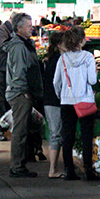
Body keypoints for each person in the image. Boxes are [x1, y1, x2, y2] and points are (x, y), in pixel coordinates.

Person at [53, 26, 100, 182]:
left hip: (67, 102)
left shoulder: (63, 58)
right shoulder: (88, 57)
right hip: (85, 101)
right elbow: (92, 81)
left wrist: (62, 96)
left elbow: (56, 82)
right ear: (82, 40)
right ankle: (88, 170)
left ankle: (69, 170)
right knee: (87, 136)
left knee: (68, 136)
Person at [5, 13, 43, 178]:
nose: (32, 28)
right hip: (20, 93)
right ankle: (17, 166)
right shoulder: (19, 47)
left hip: (23, 92)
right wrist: (24, 93)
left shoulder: (25, 44)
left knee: (23, 129)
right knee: (20, 131)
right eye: (29, 26)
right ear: (19, 28)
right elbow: (19, 72)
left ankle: (20, 163)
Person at [41, 30, 64, 178]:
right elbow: (56, 83)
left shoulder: (52, 59)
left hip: (50, 100)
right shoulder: (57, 60)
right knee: (56, 133)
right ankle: (52, 170)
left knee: (56, 133)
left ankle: (53, 168)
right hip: (54, 100)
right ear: (59, 44)